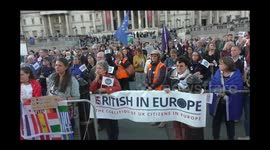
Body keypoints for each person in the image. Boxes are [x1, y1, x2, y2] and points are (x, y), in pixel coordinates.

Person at [209, 56, 244, 140]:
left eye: (221, 64)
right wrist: (218, 91)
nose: (219, 65)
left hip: (231, 102)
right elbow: (212, 83)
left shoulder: (236, 73)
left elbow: (238, 86)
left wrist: (226, 91)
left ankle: (231, 137)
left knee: (230, 121)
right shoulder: (218, 72)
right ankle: (215, 137)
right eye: (219, 63)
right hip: (218, 101)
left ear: (228, 64)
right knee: (216, 120)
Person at [46, 58, 80, 138]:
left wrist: (63, 99)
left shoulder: (72, 80)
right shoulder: (51, 77)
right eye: (56, 65)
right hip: (52, 109)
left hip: (66, 111)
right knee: (56, 132)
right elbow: (48, 91)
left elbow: (77, 97)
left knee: (67, 133)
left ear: (66, 67)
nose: (57, 67)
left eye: (60, 65)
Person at [89, 61, 122, 140]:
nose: (97, 70)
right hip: (103, 107)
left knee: (113, 125)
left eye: (100, 68)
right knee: (108, 127)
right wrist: (96, 79)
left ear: (105, 70)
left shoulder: (111, 78)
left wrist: (105, 89)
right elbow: (91, 89)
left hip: (112, 106)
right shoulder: (97, 79)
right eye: (97, 68)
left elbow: (118, 88)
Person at [146, 50, 167, 128]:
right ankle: (156, 119)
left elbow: (161, 78)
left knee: (161, 105)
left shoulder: (162, 66)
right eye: (152, 56)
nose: (153, 57)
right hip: (152, 89)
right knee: (154, 105)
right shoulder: (149, 66)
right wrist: (147, 85)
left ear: (158, 57)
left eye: (155, 56)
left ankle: (163, 120)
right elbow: (147, 77)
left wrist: (152, 86)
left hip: (159, 89)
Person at [20, 66, 42, 140]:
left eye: (22, 74)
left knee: (33, 130)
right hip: (21, 113)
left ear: (28, 74)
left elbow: (37, 98)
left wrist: (29, 100)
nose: (20, 76)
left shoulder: (36, 84)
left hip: (32, 112)